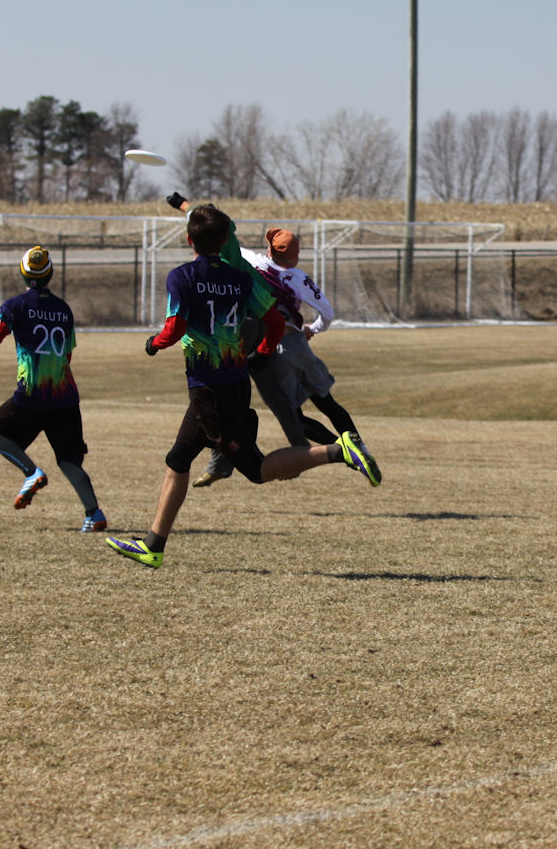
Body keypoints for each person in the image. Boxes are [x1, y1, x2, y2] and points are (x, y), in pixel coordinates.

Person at [106, 203, 380, 569]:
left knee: (254, 468)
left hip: (209, 388)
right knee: (178, 460)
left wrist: (153, 344)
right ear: (224, 241)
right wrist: (262, 353)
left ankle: (338, 450)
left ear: (189, 240)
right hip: (235, 380)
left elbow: (175, 327)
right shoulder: (240, 278)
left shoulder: (181, 276)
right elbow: (274, 322)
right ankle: (153, 545)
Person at [164, 194, 365, 488]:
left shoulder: (250, 259)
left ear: (269, 249)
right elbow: (327, 313)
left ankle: (321, 454)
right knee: (323, 402)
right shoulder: (300, 278)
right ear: (296, 255)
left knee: (257, 404)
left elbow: (207, 228)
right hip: (294, 342)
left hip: (260, 340)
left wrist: (184, 206)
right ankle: (353, 446)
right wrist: (313, 329)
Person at [0, 245, 108, 534]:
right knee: (69, 459)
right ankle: (94, 513)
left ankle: (31, 472)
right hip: (65, 396)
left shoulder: (16, 306)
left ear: (23, 273)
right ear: (50, 274)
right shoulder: (64, 310)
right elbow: (67, 355)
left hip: (32, 395)